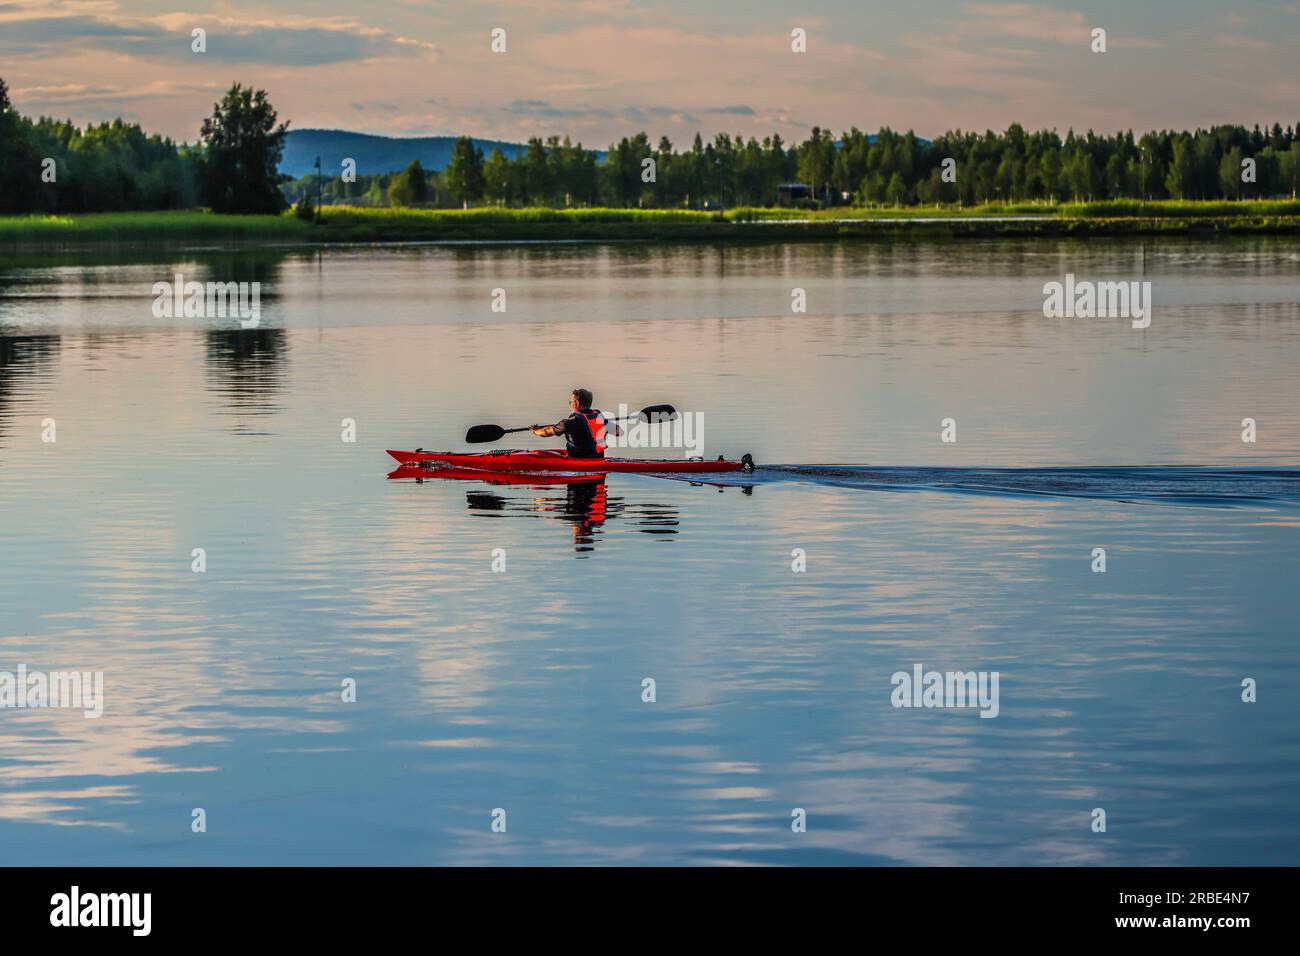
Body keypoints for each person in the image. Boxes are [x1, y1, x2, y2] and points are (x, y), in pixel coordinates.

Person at [531, 388, 622, 458]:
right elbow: (619, 432)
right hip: (598, 457)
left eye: (571, 402)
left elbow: (547, 432)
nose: (571, 404)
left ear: (577, 403)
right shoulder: (599, 418)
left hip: (578, 459)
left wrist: (536, 431)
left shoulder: (570, 422)